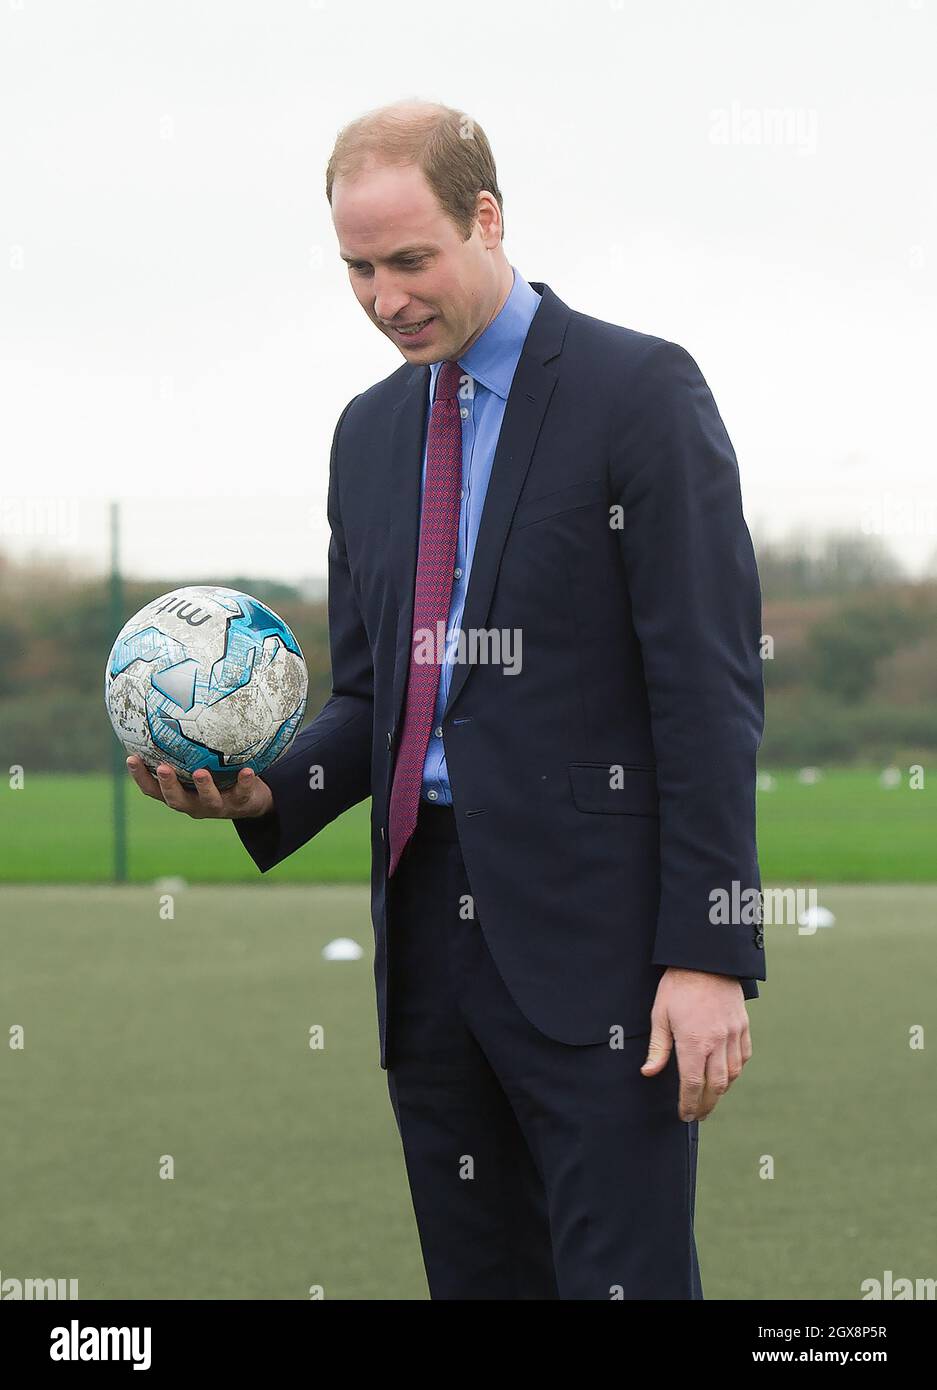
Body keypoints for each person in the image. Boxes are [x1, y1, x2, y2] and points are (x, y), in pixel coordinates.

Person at [127, 98, 767, 1300]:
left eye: (410, 261)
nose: (385, 299)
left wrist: (709, 951)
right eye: (357, 269)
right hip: (425, 941)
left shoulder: (638, 391)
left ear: (487, 217)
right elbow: (380, 694)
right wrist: (265, 790)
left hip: (602, 947)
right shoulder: (365, 435)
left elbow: (708, 687)